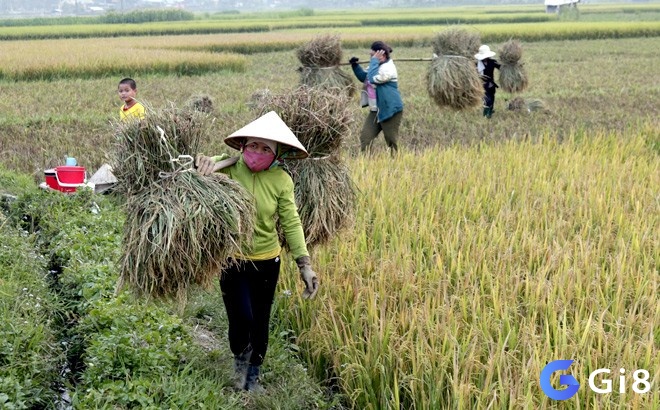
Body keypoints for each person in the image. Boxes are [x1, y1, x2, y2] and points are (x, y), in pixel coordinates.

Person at [195, 111, 319, 393]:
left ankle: (253, 376)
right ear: (242, 146)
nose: (258, 152)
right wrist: (202, 163)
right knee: (241, 318)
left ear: (276, 155)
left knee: (260, 320)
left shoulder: (281, 180)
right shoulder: (226, 167)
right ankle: (240, 360)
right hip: (232, 259)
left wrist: (304, 264)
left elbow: (291, 221)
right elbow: (195, 173)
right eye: (253, 146)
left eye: (266, 149)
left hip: (266, 261)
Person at [349, 41, 404, 155]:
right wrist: (355, 65)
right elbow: (364, 77)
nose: (371, 58)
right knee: (365, 137)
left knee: (391, 139)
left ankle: (396, 161)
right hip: (375, 111)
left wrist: (374, 61)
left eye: (372, 55)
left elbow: (373, 78)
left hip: (389, 109)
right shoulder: (376, 65)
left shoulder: (388, 69)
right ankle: (367, 162)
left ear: (382, 56)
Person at [474, 45, 501, 119]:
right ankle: (486, 114)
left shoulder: (492, 62)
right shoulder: (476, 64)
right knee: (487, 100)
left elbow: (501, 67)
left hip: (491, 85)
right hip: (482, 85)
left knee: (492, 99)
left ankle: (490, 112)